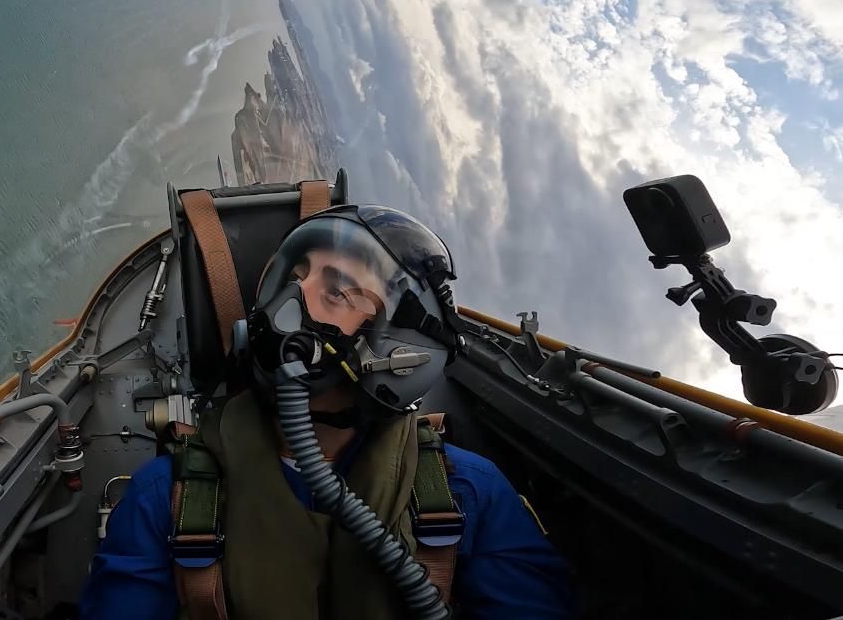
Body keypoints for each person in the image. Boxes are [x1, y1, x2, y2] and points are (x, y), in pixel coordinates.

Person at [80, 205, 574, 619]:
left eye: (338, 291)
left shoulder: (468, 495)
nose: (292, 299)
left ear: (393, 351)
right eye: (296, 276)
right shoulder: (168, 498)